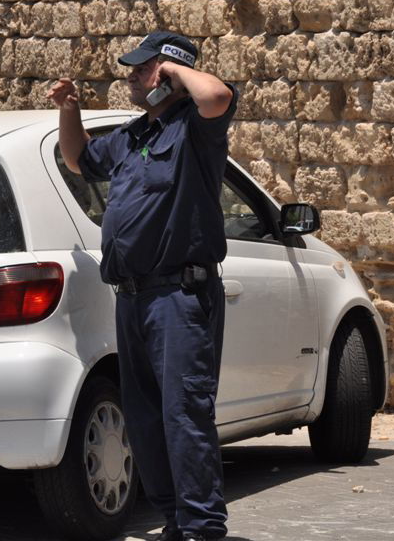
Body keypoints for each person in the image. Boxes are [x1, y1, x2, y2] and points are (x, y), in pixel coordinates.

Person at [47, 31, 238, 541]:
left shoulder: (194, 129)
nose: (130, 75)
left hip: (180, 296)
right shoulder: (133, 136)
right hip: (132, 297)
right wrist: (70, 108)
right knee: (146, 417)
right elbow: (77, 159)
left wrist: (177, 74)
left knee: (184, 413)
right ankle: (175, 519)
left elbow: (217, 97)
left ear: (168, 72)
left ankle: (202, 526)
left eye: (142, 68)